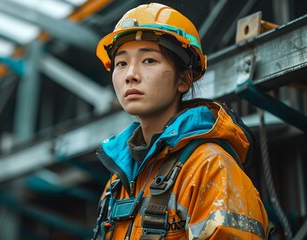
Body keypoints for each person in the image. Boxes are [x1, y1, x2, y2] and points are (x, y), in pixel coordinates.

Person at [92, 3, 269, 240]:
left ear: (183, 80)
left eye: (149, 61)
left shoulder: (209, 168)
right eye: (121, 63)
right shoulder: (117, 184)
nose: (130, 75)